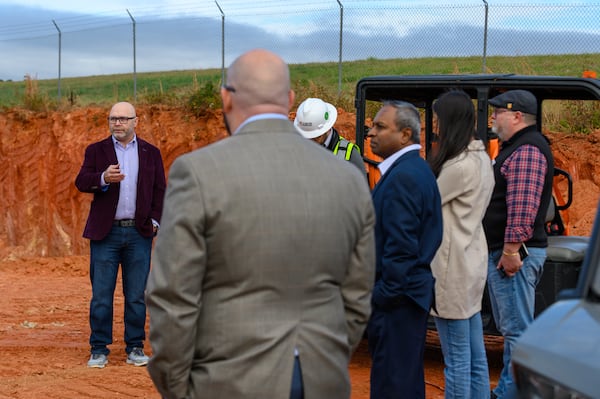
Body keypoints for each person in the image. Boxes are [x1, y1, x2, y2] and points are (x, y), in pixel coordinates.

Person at [145, 49, 376, 399]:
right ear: (289, 100)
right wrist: (325, 355)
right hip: (321, 378)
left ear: (226, 98)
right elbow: (358, 292)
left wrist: (177, 387)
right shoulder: (347, 176)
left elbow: (174, 296)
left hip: (230, 381)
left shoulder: (197, 173)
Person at [75, 101, 166, 369]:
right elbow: (81, 181)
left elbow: (160, 190)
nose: (117, 123)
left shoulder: (151, 152)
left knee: (136, 295)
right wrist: (103, 177)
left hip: (139, 234)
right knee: (101, 295)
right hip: (106, 234)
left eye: (123, 119)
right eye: (113, 118)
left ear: (136, 121)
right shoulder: (96, 151)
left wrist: (155, 222)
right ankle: (99, 349)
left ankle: (135, 348)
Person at [366, 100, 443, 399]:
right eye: (373, 126)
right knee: (402, 381)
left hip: (397, 303)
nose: (371, 133)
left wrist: (382, 297)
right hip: (405, 299)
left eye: (380, 127)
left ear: (406, 135)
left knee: (393, 385)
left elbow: (401, 249)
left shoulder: (405, 178)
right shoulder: (411, 170)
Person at [483, 90, 554, 399]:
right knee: (513, 328)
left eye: (497, 112)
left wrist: (511, 251)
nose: (491, 118)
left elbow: (522, 207)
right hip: (507, 252)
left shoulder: (526, 149)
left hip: (512, 255)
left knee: (517, 332)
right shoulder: (517, 147)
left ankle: (510, 395)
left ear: (516, 116)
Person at [428, 90, 494, 399]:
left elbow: (427, 204)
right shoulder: (482, 159)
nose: (435, 126)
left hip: (452, 269)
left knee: (456, 362)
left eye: (438, 119)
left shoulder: (457, 167)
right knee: (475, 359)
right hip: (472, 262)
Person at [294, 97, 366, 176]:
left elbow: (360, 187)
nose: (310, 141)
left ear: (326, 128)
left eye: (315, 136)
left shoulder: (349, 154)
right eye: (305, 136)